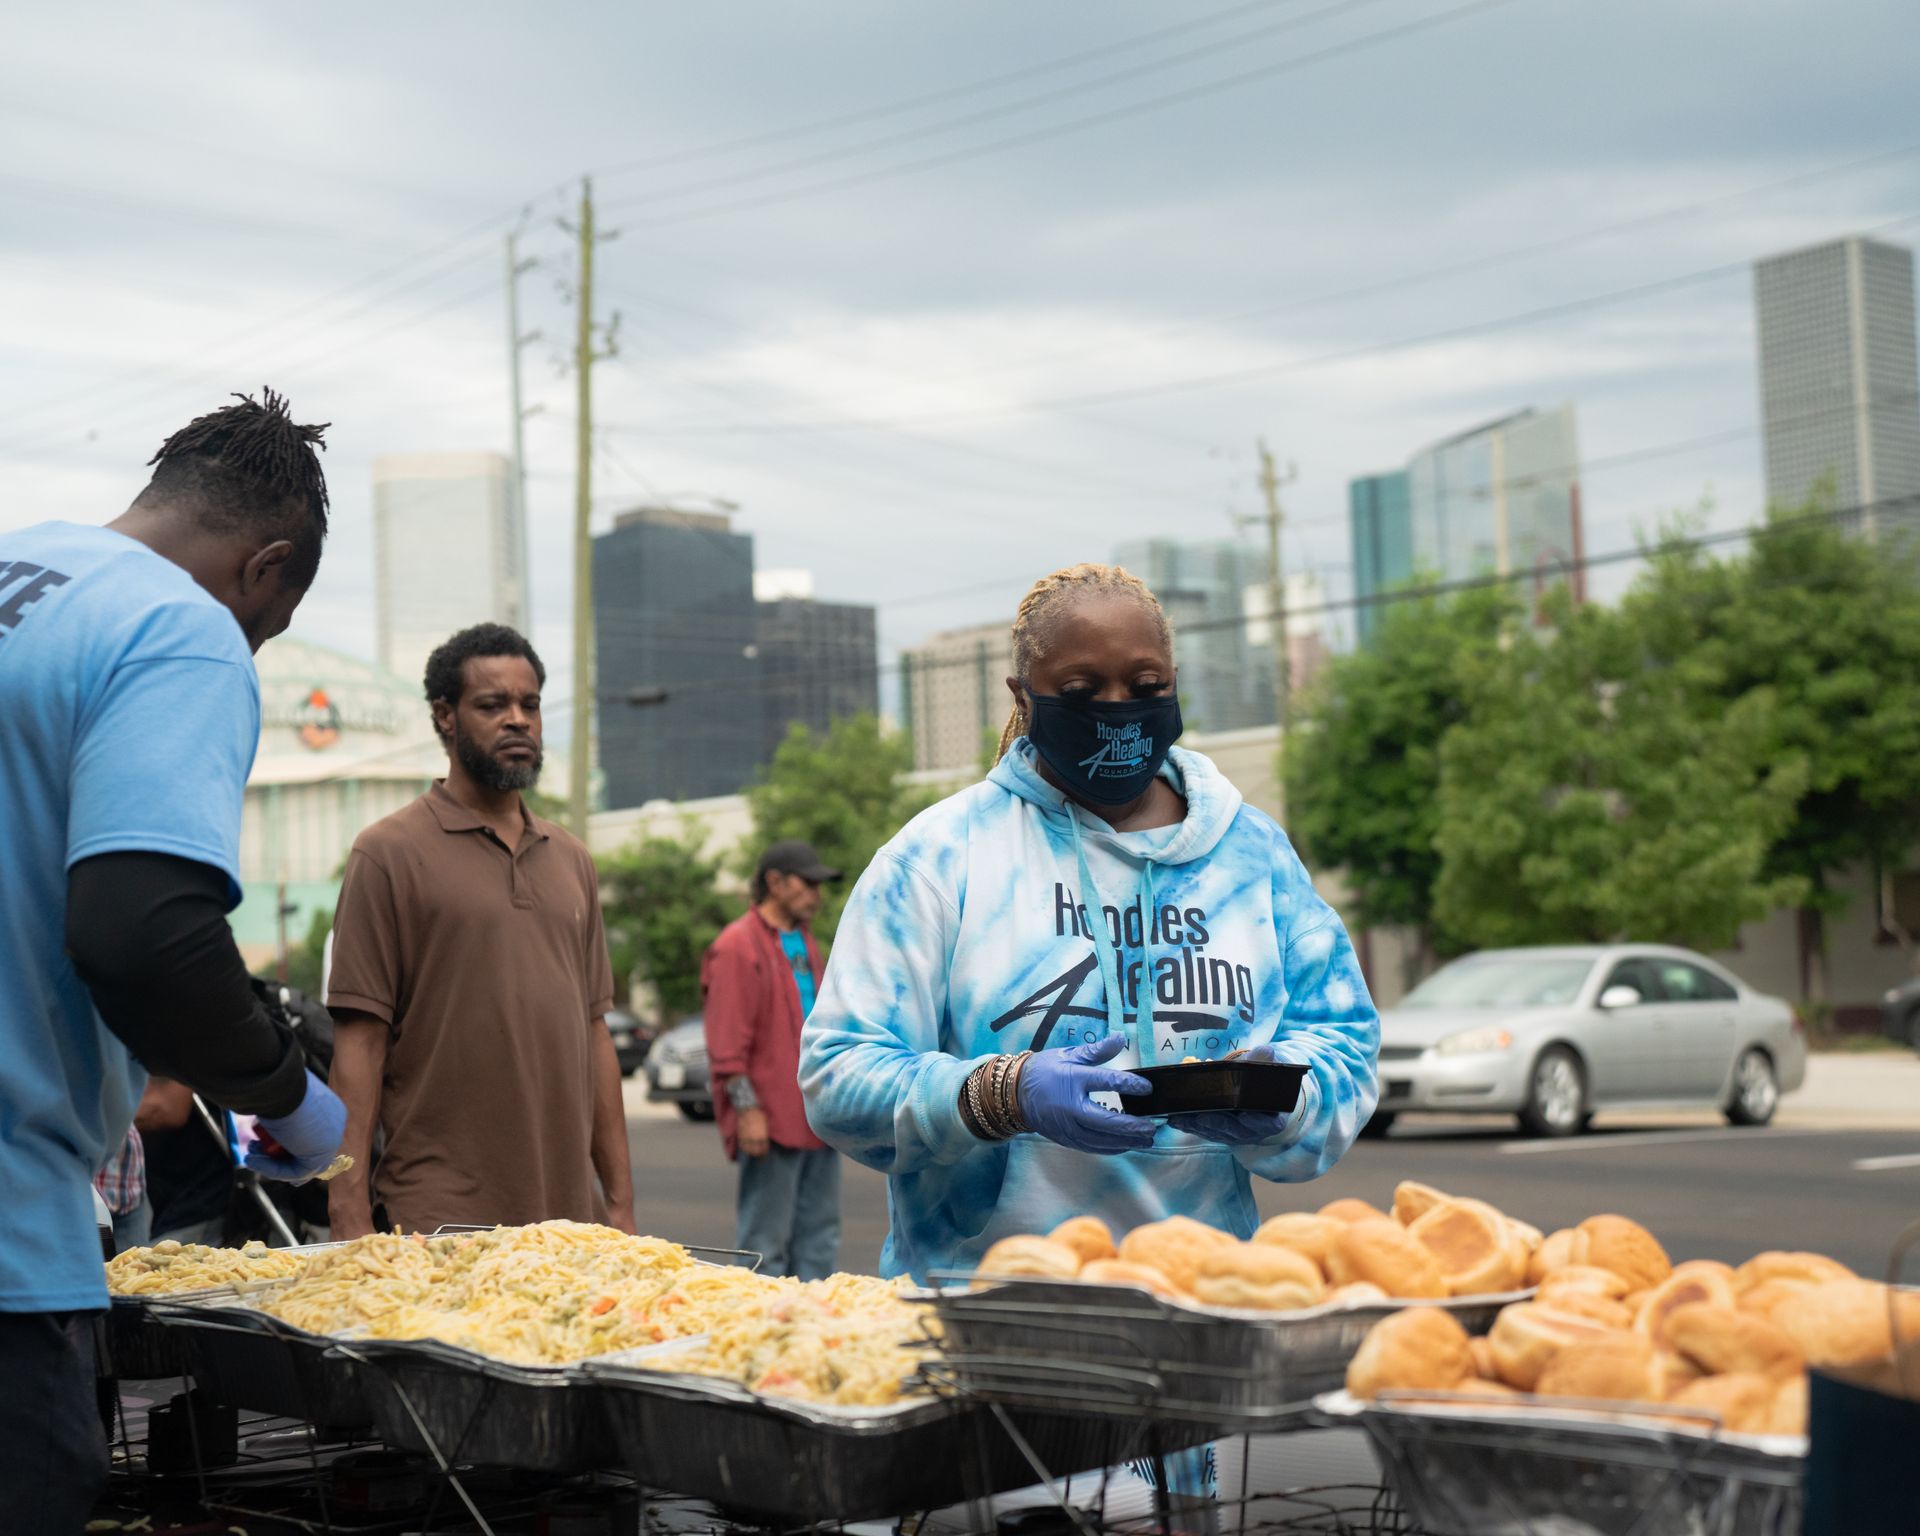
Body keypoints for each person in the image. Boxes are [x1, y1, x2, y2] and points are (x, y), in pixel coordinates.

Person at [800, 563, 1379, 1281]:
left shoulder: (1252, 855)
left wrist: (1283, 1098)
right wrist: (1000, 1094)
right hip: (976, 1306)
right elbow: (838, 1077)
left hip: (1204, 1301)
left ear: (1174, 683)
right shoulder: (940, 857)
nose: (1118, 709)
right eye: (1080, 692)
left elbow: (1346, 1049)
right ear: (1024, 696)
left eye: (1145, 688)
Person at [0, 390, 349, 1533]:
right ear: (267, 567)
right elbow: (142, 934)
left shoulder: (20, 569)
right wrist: (290, 1097)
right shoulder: (178, 629)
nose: (248, 653)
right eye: (268, 629)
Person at [324, 623, 633, 1238]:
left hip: (572, 1220)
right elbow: (358, 1046)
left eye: (531, 705)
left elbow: (595, 1036)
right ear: (446, 717)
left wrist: (620, 1204)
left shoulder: (571, 860)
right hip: (439, 1216)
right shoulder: (386, 854)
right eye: (493, 705)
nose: (517, 720)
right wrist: (348, 1215)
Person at [702, 840, 843, 1279]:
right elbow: (726, 1044)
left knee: (819, 1239)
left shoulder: (803, 941)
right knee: (764, 1246)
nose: (816, 893)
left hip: (815, 1116)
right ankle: (754, 1338)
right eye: (808, 882)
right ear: (774, 882)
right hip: (771, 1119)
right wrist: (747, 1111)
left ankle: (810, 1336)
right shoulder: (736, 945)